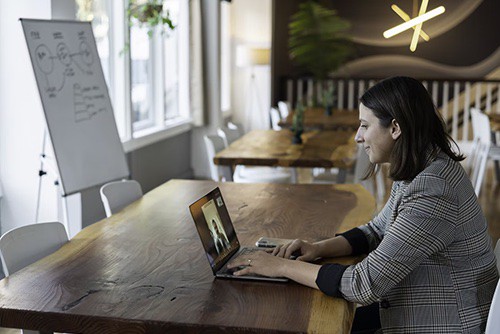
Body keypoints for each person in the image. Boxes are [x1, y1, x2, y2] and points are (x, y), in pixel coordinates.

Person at [228, 76, 499, 333]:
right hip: (423, 307)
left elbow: (364, 284)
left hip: (445, 323)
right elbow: (376, 230)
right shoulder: (423, 166)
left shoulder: (434, 189)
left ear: (395, 128)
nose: (358, 136)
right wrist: (317, 248)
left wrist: (280, 267)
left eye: (365, 125)